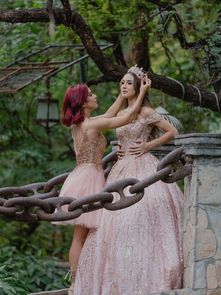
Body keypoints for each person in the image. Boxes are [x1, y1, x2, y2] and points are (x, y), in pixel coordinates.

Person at [74, 65, 184, 295]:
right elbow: (120, 118)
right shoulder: (127, 111)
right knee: (111, 224)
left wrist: (148, 145)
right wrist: (119, 151)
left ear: (138, 87)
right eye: (122, 82)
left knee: (141, 218)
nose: (124, 86)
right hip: (120, 169)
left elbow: (171, 131)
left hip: (143, 167)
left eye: (129, 83)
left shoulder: (144, 112)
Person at [53, 76, 151, 295]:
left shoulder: (83, 123)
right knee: (81, 235)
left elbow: (108, 115)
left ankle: (81, 280)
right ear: (83, 102)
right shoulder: (91, 124)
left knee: (83, 235)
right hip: (89, 179)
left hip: (83, 175)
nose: (94, 96)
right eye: (90, 94)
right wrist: (141, 92)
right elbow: (126, 116)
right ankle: (76, 283)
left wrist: (122, 95)